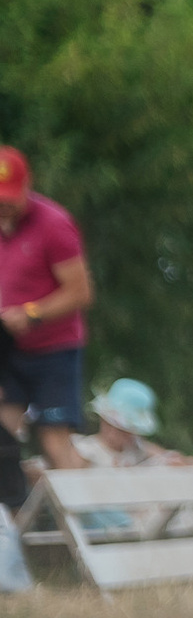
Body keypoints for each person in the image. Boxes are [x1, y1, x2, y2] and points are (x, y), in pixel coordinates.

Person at [0, 145, 97, 478]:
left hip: (54, 350)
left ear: (28, 185)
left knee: (53, 441)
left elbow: (81, 293)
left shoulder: (54, 224)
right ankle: (9, 521)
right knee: (3, 434)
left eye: (9, 198)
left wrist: (31, 314)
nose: (4, 206)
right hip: (11, 350)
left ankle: (88, 521)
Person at [73, 379, 193, 468]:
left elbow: (164, 455)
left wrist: (174, 460)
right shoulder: (85, 450)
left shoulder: (135, 448)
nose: (114, 432)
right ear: (103, 420)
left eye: (126, 430)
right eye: (111, 425)